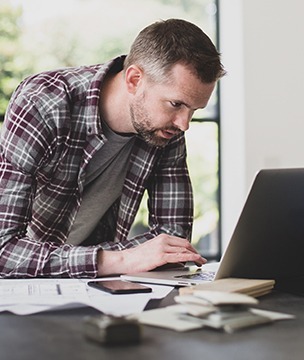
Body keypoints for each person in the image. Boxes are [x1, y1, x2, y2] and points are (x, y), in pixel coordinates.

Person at [0, 19, 225, 278]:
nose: (184, 124)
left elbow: (173, 240)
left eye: (194, 110)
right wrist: (119, 259)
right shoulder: (43, 103)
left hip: (94, 283)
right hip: (23, 285)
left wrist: (112, 260)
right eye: (176, 104)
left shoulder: (166, 129)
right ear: (134, 79)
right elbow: (4, 249)